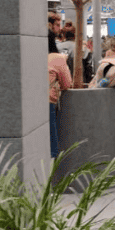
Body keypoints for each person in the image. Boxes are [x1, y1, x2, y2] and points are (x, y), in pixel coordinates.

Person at [48, 30, 72, 158]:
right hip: (48, 101)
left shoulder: (31, 55)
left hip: (29, 101)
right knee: (51, 140)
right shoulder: (57, 58)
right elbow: (67, 84)